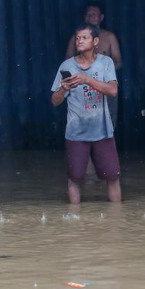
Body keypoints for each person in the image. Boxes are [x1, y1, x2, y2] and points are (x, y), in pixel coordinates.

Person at [52, 23, 121, 204]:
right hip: (76, 133)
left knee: (112, 176)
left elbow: (113, 91)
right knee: (74, 178)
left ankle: (116, 220)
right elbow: (55, 101)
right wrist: (63, 88)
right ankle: (76, 222)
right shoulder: (66, 65)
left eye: (84, 37)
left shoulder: (106, 63)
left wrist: (87, 80)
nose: (79, 41)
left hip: (103, 131)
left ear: (95, 41)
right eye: (77, 38)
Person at [65, 0, 122, 126]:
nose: (90, 18)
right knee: (84, 126)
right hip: (82, 89)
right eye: (88, 15)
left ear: (101, 17)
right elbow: (67, 62)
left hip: (105, 87)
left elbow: (118, 62)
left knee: (108, 124)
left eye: (94, 15)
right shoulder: (76, 38)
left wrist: (102, 73)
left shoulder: (109, 37)